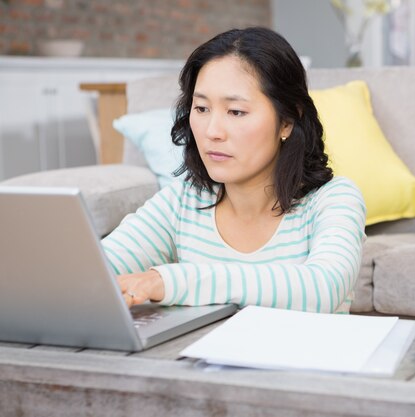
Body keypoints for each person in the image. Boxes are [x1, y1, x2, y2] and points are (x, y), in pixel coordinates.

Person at [102, 27, 366, 314]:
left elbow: (322, 289)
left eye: (236, 112)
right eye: (201, 108)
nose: (212, 131)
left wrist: (167, 280)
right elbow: (95, 272)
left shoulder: (335, 199)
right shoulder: (183, 202)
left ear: (287, 121)